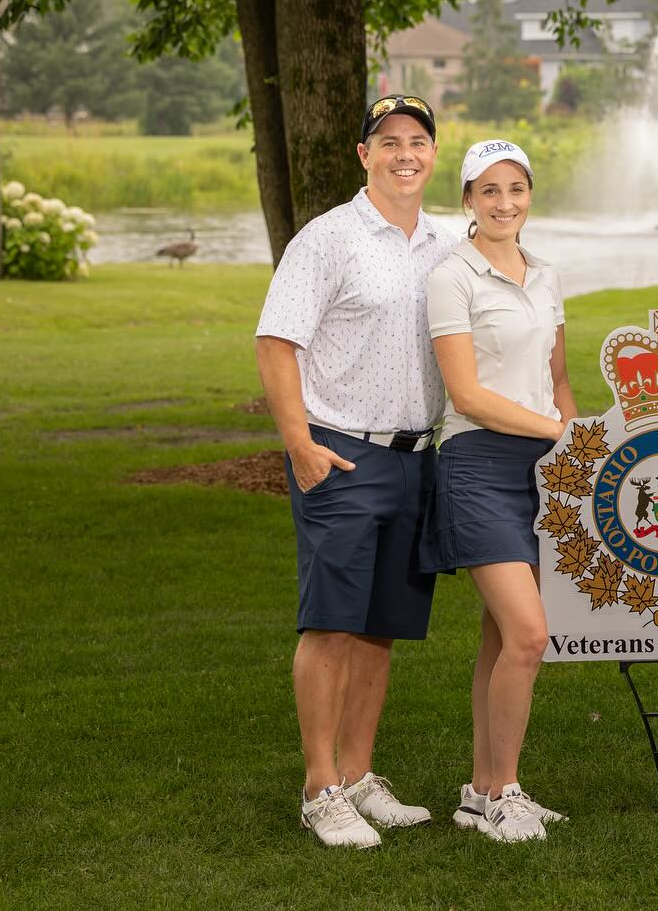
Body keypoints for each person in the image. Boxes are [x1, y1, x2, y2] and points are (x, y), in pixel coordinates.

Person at [255, 93, 456, 848]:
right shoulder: (327, 239)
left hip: (416, 457)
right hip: (340, 450)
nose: (405, 153)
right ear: (363, 154)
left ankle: (361, 777)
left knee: (380, 629)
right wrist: (300, 443)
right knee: (333, 624)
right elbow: (276, 343)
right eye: (389, 141)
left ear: (433, 154)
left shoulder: (445, 244)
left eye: (418, 141)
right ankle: (320, 788)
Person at [418, 139, 577, 843]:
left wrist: (578, 448)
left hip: (542, 468)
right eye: (489, 191)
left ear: (529, 194)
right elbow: (468, 394)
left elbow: (561, 379)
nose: (504, 203)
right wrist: (556, 431)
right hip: (477, 463)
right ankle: (508, 791)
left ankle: (480, 792)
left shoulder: (544, 274)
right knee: (528, 633)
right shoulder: (452, 275)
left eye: (516, 189)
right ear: (467, 201)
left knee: (497, 634)